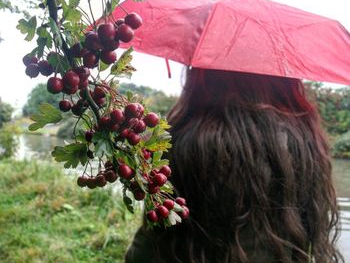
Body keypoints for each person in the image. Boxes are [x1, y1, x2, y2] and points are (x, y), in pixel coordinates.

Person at [125, 67, 343, 263]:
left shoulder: (179, 140)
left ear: (201, 75)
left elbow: (149, 247)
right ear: (283, 79)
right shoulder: (304, 143)